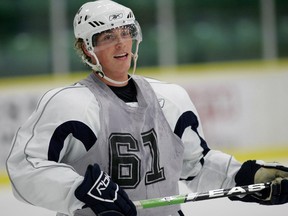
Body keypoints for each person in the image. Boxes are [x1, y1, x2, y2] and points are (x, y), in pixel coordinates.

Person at [6, 0, 288, 216]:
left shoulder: (170, 98)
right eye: (107, 36)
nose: (121, 43)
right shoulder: (69, 104)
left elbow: (195, 165)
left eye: (125, 32)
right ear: (86, 48)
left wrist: (246, 175)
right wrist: (79, 190)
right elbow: (25, 168)